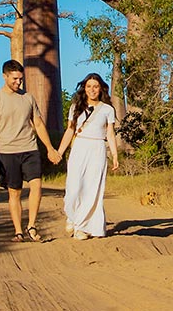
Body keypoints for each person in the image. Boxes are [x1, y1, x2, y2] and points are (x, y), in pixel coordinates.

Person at [0, 59, 61, 242]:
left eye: (20, 79)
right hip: (7, 151)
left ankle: (32, 226)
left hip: (30, 148)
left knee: (37, 185)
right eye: (15, 79)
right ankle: (18, 231)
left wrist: (49, 148)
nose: (19, 83)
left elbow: (39, 124)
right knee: (14, 192)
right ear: (5, 76)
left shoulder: (28, 98)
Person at [55, 72, 120, 240]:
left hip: (97, 148)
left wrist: (114, 155)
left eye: (96, 87)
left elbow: (110, 134)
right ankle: (72, 216)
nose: (92, 90)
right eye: (89, 86)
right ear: (84, 88)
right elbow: (70, 130)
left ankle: (82, 227)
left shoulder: (107, 110)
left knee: (93, 189)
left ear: (101, 89)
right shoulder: (75, 107)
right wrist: (59, 152)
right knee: (74, 188)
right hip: (80, 147)